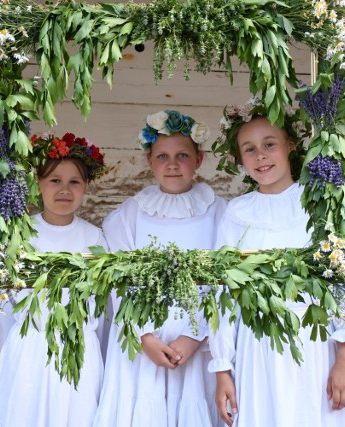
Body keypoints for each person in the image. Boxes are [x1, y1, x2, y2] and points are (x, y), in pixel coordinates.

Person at [209, 98, 345, 427]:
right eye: (249, 149)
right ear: (239, 158)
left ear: (291, 146)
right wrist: (223, 369)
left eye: (270, 144)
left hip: (313, 343)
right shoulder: (236, 214)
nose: (261, 155)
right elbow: (223, 293)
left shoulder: (324, 203)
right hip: (256, 349)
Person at [92, 110, 227, 427]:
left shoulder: (221, 213)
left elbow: (225, 283)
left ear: (199, 159)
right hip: (145, 345)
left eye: (182, 155)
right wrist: (144, 337)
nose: (172, 164)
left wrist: (196, 336)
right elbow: (119, 282)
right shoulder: (127, 217)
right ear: (149, 161)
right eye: (162, 156)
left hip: (195, 341)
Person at [0, 132, 108, 427]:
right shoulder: (18, 235)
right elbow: (4, 304)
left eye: (74, 182)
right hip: (31, 346)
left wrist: (92, 346)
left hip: (80, 347)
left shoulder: (95, 237)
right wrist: (20, 344)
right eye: (55, 181)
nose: (64, 190)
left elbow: (102, 307)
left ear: (86, 186)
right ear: (37, 183)